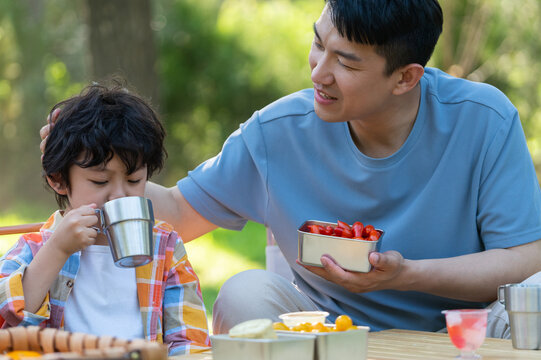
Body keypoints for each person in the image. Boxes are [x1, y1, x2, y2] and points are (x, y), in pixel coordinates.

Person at [42, 0, 541, 336]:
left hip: (468, 331)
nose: (319, 71)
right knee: (243, 292)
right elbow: (177, 211)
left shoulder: (484, 120)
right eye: (319, 43)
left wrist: (406, 276)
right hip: (328, 331)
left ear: (405, 77)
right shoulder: (277, 132)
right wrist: (97, 165)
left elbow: (524, 259)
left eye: (345, 62)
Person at [3, 83, 211, 355]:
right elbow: (11, 326)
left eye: (134, 180)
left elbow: (190, 341)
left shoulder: (166, 247)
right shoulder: (35, 248)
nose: (119, 196)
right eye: (100, 181)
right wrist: (56, 250)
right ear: (58, 180)